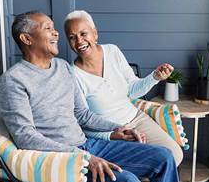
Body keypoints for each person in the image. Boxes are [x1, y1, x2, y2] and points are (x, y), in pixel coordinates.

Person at [0, 11, 184, 182]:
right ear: (27, 39)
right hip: (64, 160)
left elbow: (83, 115)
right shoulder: (13, 80)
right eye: (47, 28)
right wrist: (81, 157)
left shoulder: (63, 68)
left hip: (88, 146)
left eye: (54, 27)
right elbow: (25, 137)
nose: (56, 33)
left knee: (163, 157)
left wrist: (116, 129)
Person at [63, 10, 184, 167]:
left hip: (136, 118)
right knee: (146, 166)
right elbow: (84, 123)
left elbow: (133, 90)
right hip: (111, 134)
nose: (79, 41)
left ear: (95, 33)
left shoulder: (112, 51)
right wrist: (112, 135)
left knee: (174, 155)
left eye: (83, 33)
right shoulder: (73, 74)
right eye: (72, 37)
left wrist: (155, 77)